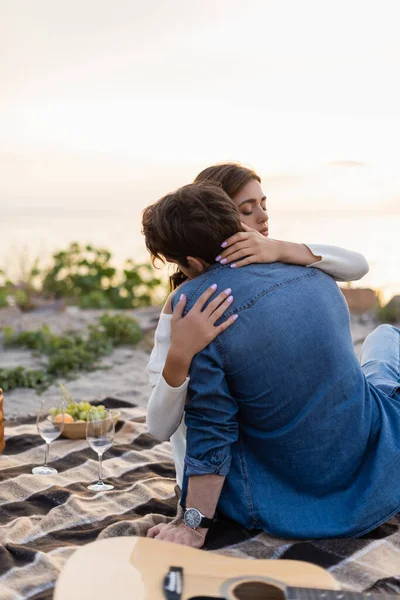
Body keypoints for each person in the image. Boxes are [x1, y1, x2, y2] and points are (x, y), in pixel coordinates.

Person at [142, 181, 400, 547]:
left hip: (298, 502)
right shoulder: (318, 274)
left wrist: (192, 524)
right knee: (387, 340)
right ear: (236, 225)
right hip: (377, 454)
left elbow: (211, 426)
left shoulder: (197, 306)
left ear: (192, 263)